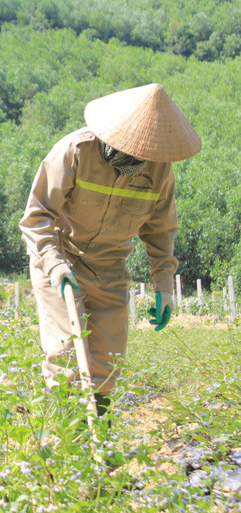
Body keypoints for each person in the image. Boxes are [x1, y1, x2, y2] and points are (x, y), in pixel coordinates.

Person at [19, 83, 201, 416]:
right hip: (59, 258)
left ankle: (97, 438)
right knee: (66, 353)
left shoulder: (160, 172)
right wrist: (55, 265)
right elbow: (37, 216)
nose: (139, 156)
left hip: (110, 267)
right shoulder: (74, 151)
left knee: (107, 362)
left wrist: (164, 287)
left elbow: (161, 231)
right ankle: (66, 439)